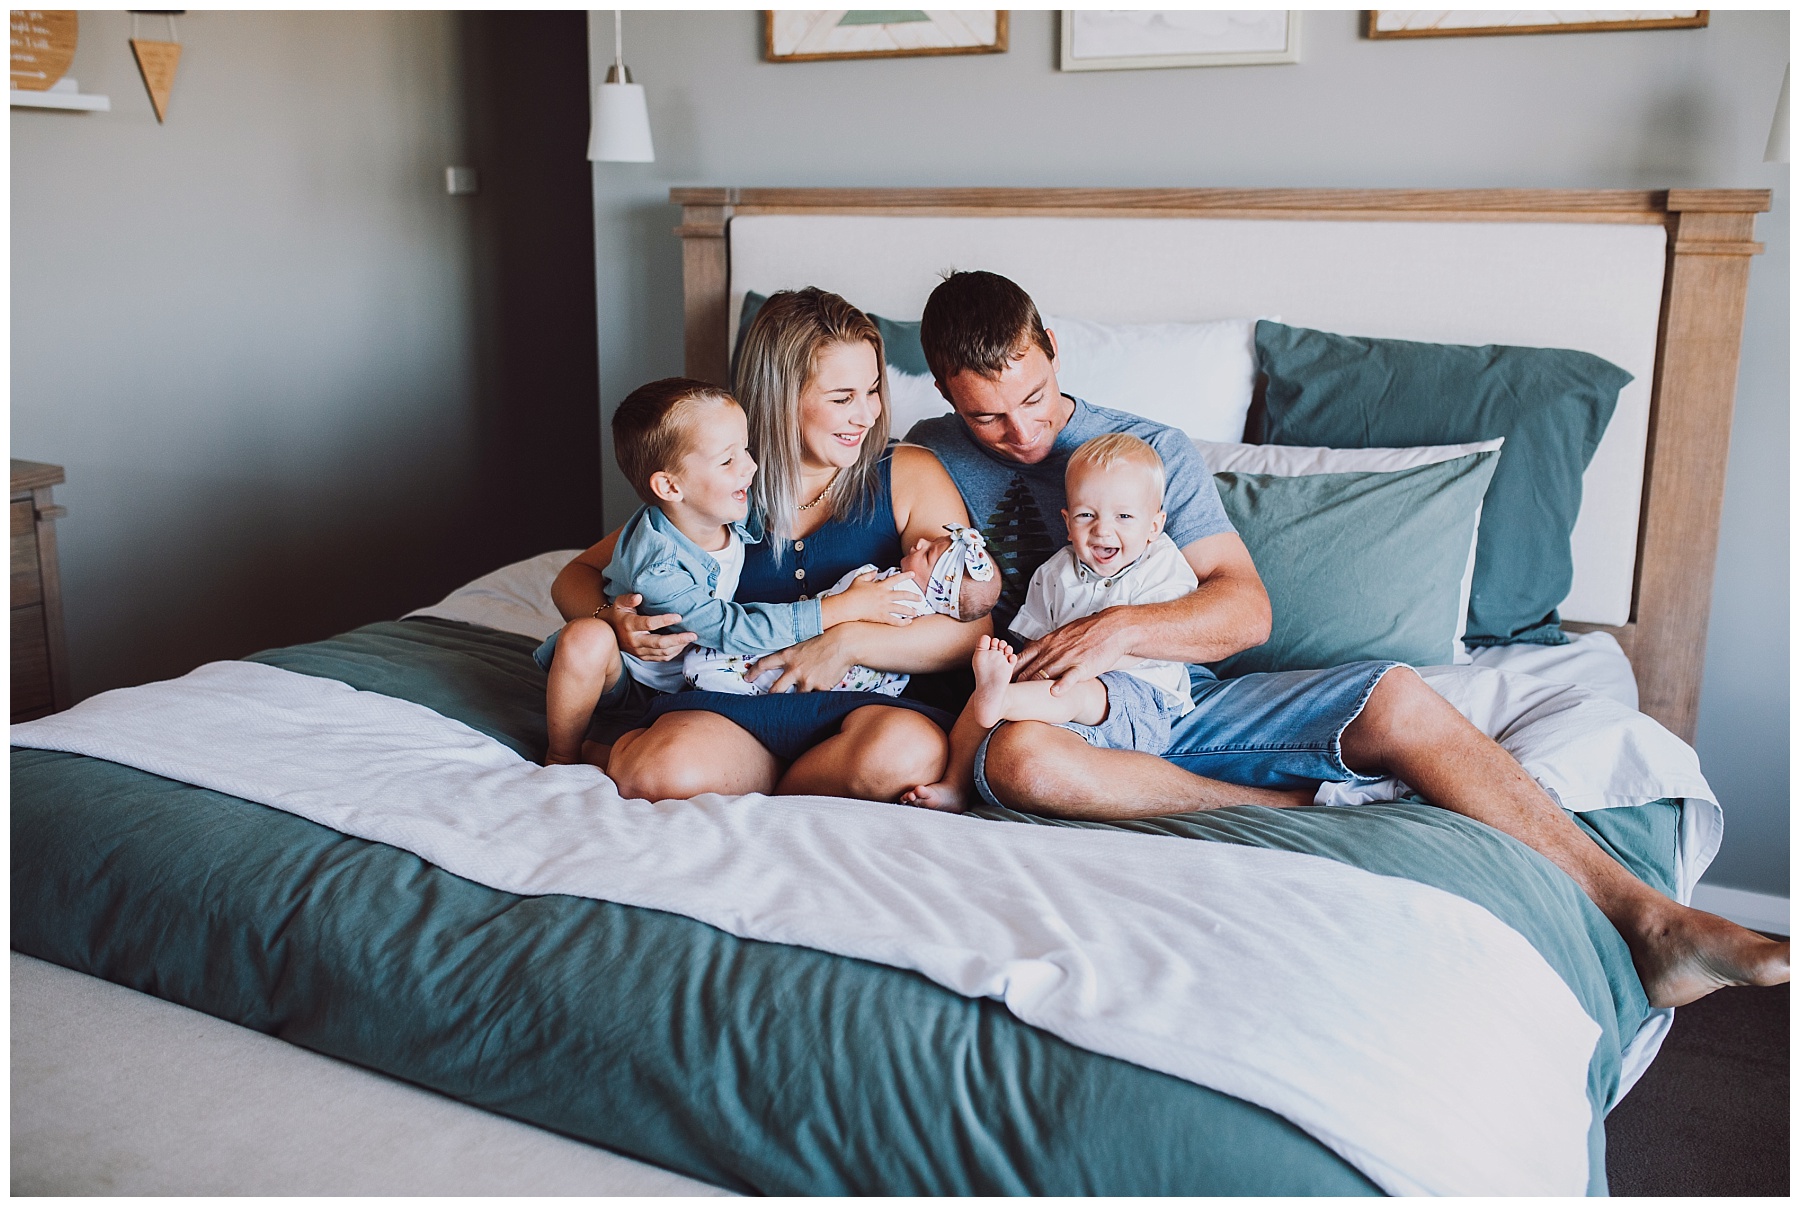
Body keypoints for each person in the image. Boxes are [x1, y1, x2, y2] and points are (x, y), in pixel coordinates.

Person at [905, 269, 1787, 1008]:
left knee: (1397, 695)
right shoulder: (927, 455)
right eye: (988, 417)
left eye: (1034, 397)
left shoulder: (1147, 449)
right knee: (1020, 761)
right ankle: (1300, 813)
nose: (1024, 432)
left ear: (1052, 347)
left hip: (1181, 696)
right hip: (1051, 713)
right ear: (945, 393)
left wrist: (1119, 628)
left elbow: (1246, 613)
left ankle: (1651, 919)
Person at [550, 287, 989, 802]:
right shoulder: (724, 478)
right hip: (731, 707)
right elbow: (575, 576)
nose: (867, 415)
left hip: (863, 708)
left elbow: (970, 627)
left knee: (908, 756)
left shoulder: (908, 473)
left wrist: (845, 643)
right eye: (842, 398)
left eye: (872, 390)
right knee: (658, 772)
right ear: (780, 397)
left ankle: (769, 787)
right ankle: (771, 779)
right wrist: (613, 619)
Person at [536, 377, 920, 766]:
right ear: (670, 487)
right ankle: (562, 754)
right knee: (585, 638)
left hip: (688, 682)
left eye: (747, 449)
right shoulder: (658, 566)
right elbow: (730, 629)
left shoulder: (717, 508)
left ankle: (613, 748)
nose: (751, 467)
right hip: (633, 678)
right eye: (727, 460)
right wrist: (841, 608)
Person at [903, 434, 1196, 811]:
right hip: (1058, 698)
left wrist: (1073, 668)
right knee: (990, 691)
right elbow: (1037, 645)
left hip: (1140, 698)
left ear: (1154, 526)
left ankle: (1002, 701)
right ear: (1067, 522)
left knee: (1074, 690)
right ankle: (955, 784)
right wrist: (1018, 673)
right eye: (1086, 515)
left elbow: (1157, 640)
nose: (1102, 530)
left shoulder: (1164, 567)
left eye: (1124, 517)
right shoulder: (1054, 572)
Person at [684, 524, 1000, 697]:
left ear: (939, 591)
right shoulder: (905, 588)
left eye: (928, 554)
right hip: (819, 647)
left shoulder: (904, 597)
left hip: (828, 662)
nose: (919, 542)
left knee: (749, 665)